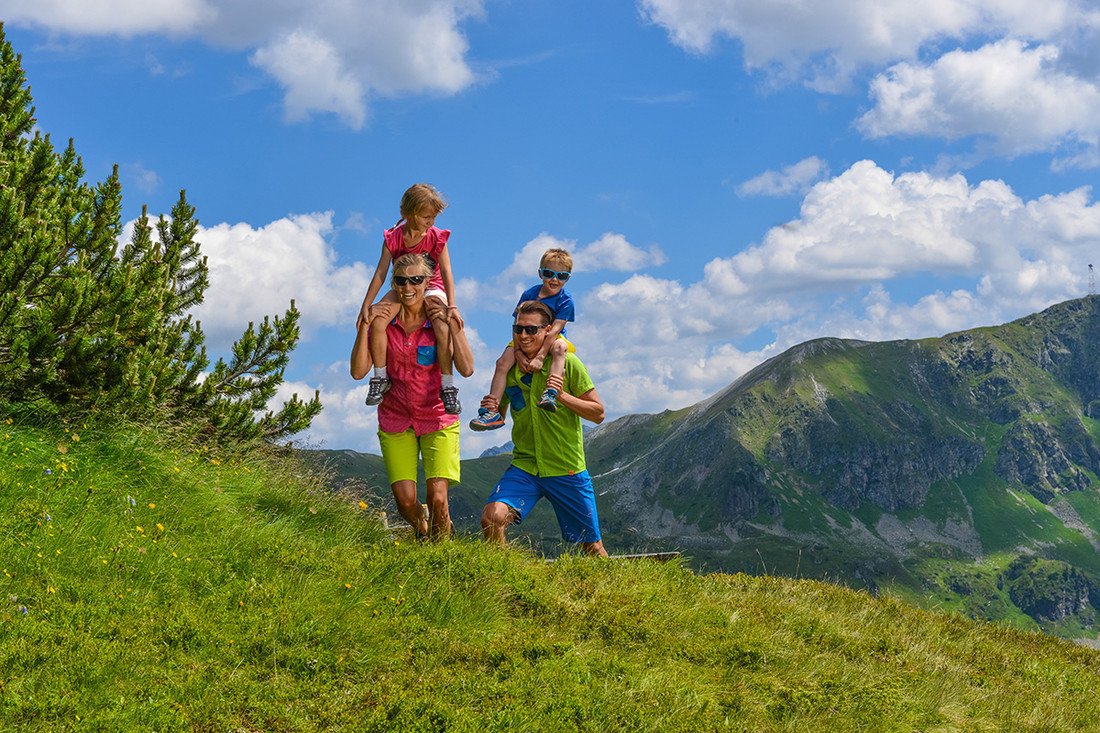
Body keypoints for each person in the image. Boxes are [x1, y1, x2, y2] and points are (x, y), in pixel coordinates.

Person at [351, 253, 474, 539]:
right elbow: (358, 372)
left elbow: (467, 369)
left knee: (438, 499)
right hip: (395, 420)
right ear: (393, 283)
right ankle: (423, 528)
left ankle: (441, 559)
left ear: (428, 282)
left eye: (416, 280)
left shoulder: (438, 324)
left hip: (438, 417)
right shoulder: (384, 324)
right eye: (401, 281)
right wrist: (365, 326)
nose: (408, 287)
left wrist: (454, 326)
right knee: (406, 503)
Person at [481, 300, 608, 556]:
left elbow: (598, 413)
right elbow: (500, 416)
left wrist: (561, 396)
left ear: (547, 330)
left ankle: (621, 593)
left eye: (531, 330)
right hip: (525, 465)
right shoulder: (510, 370)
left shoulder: (569, 364)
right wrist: (490, 407)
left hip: (565, 466)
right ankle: (503, 583)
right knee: (491, 518)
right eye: (518, 330)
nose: (524, 336)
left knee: (591, 547)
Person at [357, 183, 461, 414]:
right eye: (426, 217)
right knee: (379, 320)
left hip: (431, 286)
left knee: (442, 327)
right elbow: (381, 273)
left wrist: (451, 305)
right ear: (409, 213)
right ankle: (380, 378)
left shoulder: (436, 237)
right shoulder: (394, 238)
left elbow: (446, 272)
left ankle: (447, 386)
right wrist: (366, 305)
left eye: (433, 217)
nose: (430, 222)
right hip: (403, 286)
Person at [469, 248, 575, 431]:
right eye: (549, 273)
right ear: (540, 273)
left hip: (551, 337)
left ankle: (550, 392)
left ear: (568, 277)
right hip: (524, 334)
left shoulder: (566, 300)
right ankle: (492, 409)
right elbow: (517, 324)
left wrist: (540, 357)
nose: (554, 280)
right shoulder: (529, 294)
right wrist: (517, 352)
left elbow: (555, 330)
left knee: (560, 349)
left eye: (562, 276)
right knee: (502, 362)